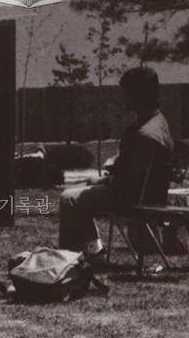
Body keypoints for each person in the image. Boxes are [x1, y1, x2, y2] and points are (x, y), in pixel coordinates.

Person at [57, 67, 173, 260]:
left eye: (126, 93)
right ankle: (92, 253)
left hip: (133, 200)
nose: (122, 98)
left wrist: (103, 181)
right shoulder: (157, 123)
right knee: (80, 194)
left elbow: (128, 181)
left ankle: (67, 260)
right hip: (146, 195)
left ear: (137, 95)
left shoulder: (146, 135)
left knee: (70, 198)